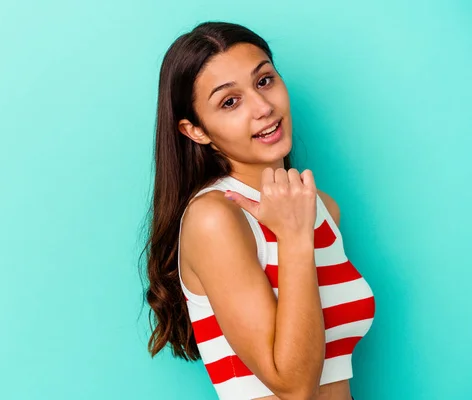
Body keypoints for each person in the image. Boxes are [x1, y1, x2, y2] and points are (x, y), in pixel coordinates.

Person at [142, 21, 375, 400]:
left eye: (264, 81)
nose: (263, 108)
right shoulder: (214, 218)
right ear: (195, 130)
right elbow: (294, 386)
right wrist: (295, 238)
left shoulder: (321, 208)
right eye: (229, 102)